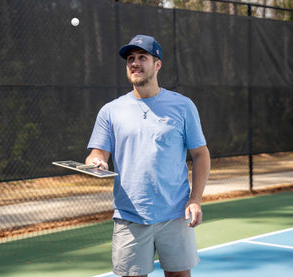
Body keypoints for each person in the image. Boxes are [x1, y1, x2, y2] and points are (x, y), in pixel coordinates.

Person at [85, 34, 210, 277]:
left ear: (157, 64)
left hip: (175, 214)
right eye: (130, 58)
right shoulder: (110, 111)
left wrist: (195, 199)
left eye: (142, 57)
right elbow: (96, 154)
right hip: (129, 216)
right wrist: (95, 163)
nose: (135, 63)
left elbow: (201, 155)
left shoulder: (183, 106)